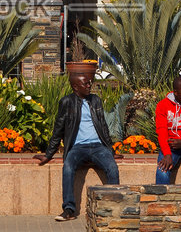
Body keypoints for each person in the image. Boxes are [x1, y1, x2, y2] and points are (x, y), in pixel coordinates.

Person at [35, 68, 119, 222]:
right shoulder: (66, 102)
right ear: (75, 87)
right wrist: (48, 154)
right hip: (78, 147)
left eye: (89, 83)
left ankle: (114, 207)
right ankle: (69, 209)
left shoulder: (96, 100)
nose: (89, 86)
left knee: (112, 167)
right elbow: (58, 129)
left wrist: (111, 150)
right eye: (85, 84)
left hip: (98, 146)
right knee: (67, 167)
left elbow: (103, 127)